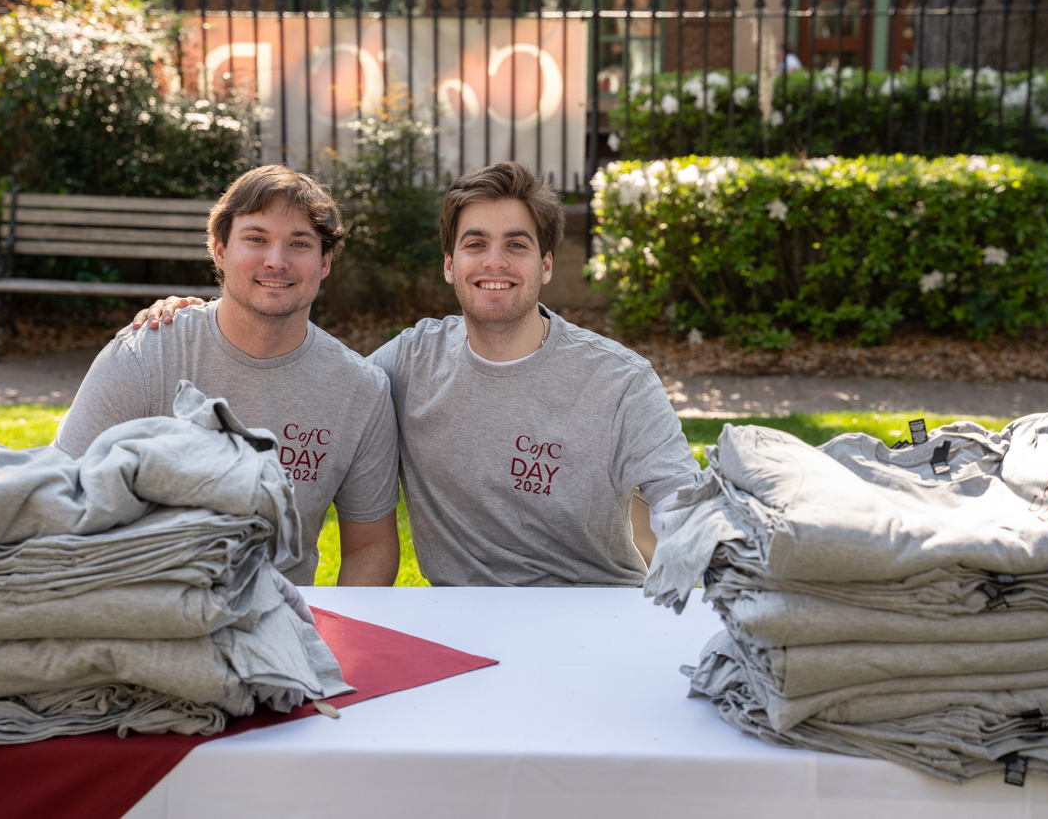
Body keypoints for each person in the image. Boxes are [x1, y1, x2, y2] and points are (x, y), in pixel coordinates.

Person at [138, 162, 702, 588]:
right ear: (450, 264)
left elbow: (688, 512)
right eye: (474, 244)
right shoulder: (407, 365)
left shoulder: (619, 381)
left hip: (593, 613)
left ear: (546, 264)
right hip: (454, 624)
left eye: (517, 246)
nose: (494, 262)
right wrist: (207, 319)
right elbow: (312, 375)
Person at [55, 165, 401, 587]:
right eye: (256, 239)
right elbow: (62, 496)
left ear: (325, 262)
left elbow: (371, 545)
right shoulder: (146, 355)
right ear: (219, 250)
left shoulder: (360, 390)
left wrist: (337, 639)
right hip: (143, 604)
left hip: (278, 619)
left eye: (299, 244)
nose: (277, 261)